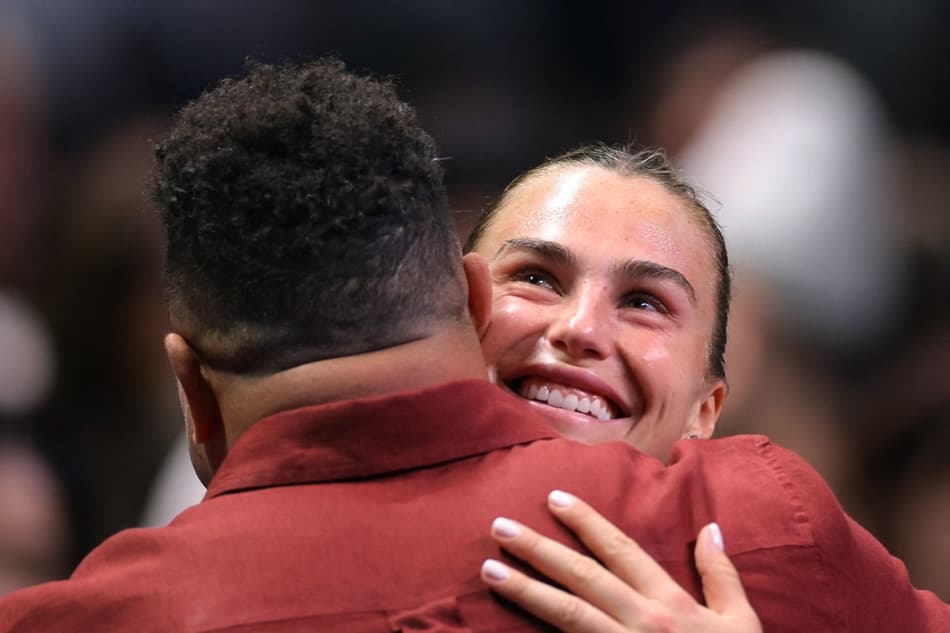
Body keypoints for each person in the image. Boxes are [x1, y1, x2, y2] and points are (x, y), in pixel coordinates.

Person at [0, 60, 944, 632]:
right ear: (466, 298)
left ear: (709, 408)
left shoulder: (764, 542)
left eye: (649, 303)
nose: (579, 329)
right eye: (539, 276)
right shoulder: (774, 530)